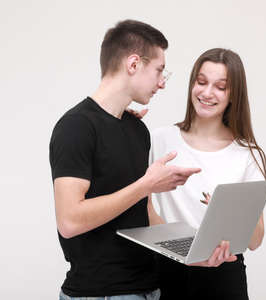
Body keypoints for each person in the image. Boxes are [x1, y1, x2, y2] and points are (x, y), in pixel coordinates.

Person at [48, 20, 203, 300]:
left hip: (149, 288)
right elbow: (69, 220)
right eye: (159, 70)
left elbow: (144, 213)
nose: (162, 83)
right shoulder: (76, 127)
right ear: (133, 64)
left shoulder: (136, 129)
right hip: (99, 294)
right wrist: (146, 185)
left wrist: (195, 249)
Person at [147, 48, 266, 299]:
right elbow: (142, 208)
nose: (207, 93)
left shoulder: (247, 154)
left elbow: (255, 241)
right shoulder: (160, 140)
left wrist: (234, 213)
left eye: (220, 87)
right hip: (168, 272)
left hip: (224, 277)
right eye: (201, 82)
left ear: (233, 95)